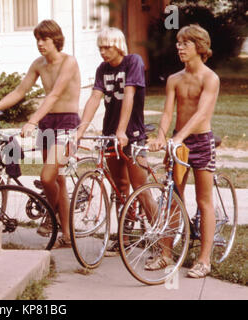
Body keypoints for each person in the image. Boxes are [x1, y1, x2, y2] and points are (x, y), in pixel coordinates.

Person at [0, 20, 81, 249]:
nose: (40, 43)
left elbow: (54, 95)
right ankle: (65, 235)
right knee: (58, 180)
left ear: (56, 39)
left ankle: (49, 213)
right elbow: (20, 91)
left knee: (47, 178)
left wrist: (32, 120)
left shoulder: (69, 62)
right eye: (37, 39)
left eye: (44, 39)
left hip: (67, 121)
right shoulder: (38, 64)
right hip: (48, 122)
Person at [148, 24, 219, 278]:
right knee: (171, 199)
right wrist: (160, 136)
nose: (179, 47)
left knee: (203, 201)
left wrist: (178, 137)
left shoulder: (210, 78)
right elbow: (168, 112)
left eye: (185, 44)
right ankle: (165, 254)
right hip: (178, 146)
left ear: (199, 47)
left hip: (200, 142)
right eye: (178, 43)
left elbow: (201, 114)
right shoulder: (174, 79)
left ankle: (204, 260)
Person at [76, 27, 155, 256]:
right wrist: (81, 129)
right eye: (100, 47)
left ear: (118, 45)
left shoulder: (133, 62)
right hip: (110, 134)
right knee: (120, 189)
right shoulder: (102, 69)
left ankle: (161, 239)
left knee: (140, 188)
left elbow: (129, 95)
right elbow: (94, 98)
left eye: (107, 47)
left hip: (132, 135)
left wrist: (123, 131)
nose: (103, 52)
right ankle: (126, 234)